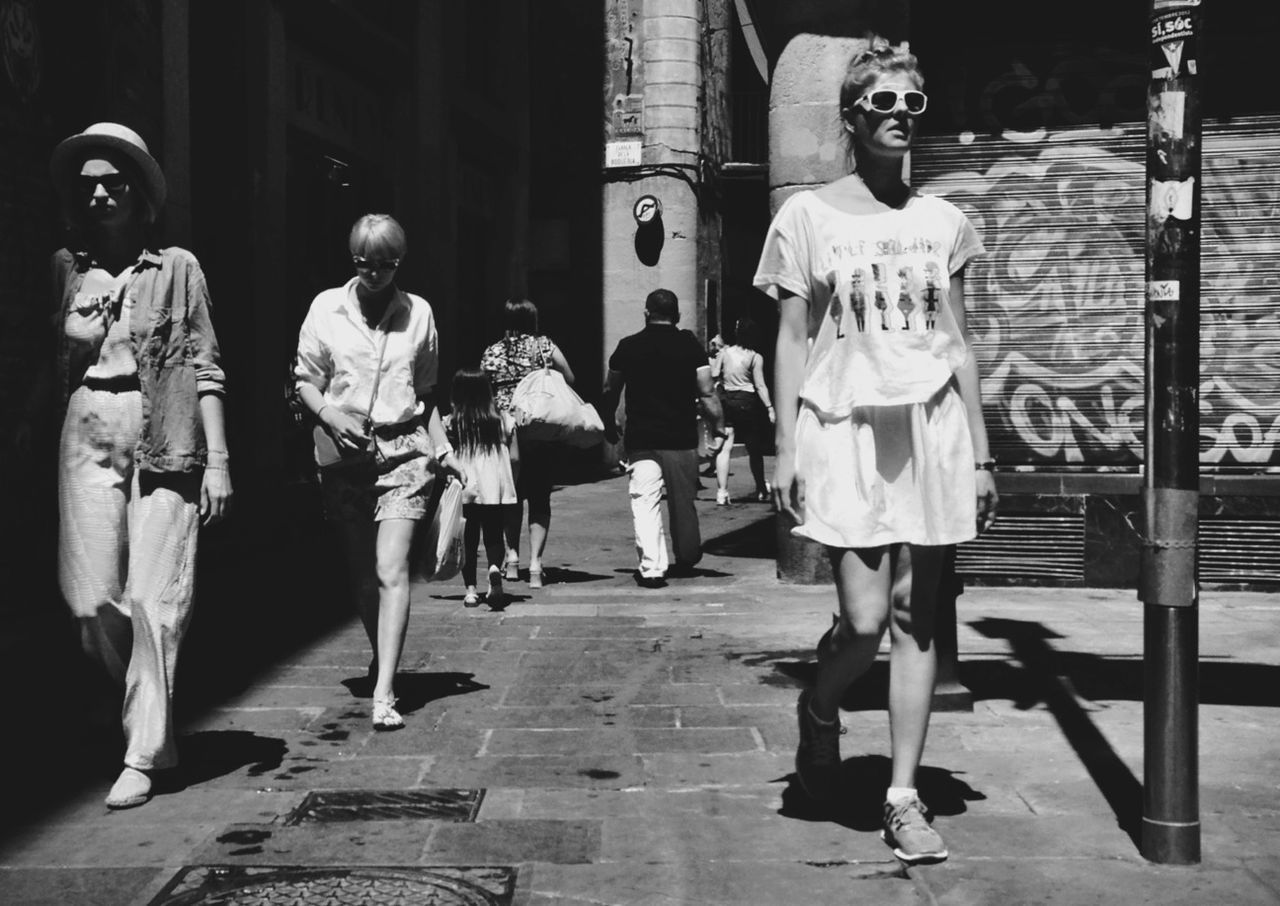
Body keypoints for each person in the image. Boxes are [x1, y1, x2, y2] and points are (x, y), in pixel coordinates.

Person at [754, 40, 998, 864]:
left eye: (912, 104)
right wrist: (785, 440)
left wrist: (982, 452)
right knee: (861, 623)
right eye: (884, 104)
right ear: (853, 118)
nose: (900, 117)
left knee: (913, 617)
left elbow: (959, 341)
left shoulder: (944, 222)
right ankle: (821, 711)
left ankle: (902, 796)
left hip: (931, 426)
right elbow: (791, 337)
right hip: (843, 426)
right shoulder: (807, 217)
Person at [47, 123, 232, 809]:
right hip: (85, 431)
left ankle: (145, 752)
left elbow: (207, 366)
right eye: (88, 184)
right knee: (91, 599)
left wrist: (219, 462)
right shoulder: (67, 269)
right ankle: (139, 707)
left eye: (113, 182)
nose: (99, 193)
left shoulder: (178, 267)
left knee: (157, 600)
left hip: (167, 434)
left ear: (139, 194)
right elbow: (53, 364)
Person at [295, 213, 466, 731]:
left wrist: (443, 450)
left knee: (392, 568)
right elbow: (306, 381)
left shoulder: (419, 314)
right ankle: (382, 656)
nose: (374, 275)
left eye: (385, 265)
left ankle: (385, 691)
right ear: (353, 260)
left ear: (399, 262)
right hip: (345, 455)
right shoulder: (326, 308)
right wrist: (329, 415)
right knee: (364, 578)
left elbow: (427, 394)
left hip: (406, 452)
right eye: (365, 264)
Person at [600, 288, 726, 587]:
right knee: (684, 500)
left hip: (642, 438)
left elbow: (610, 390)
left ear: (646, 314)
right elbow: (707, 393)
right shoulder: (691, 348)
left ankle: (652, 567)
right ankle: (687, 554)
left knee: (645, 500)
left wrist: (608, 424)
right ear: (677, 315)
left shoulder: (628, 347)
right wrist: (719, 427)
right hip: (681, 437)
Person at [479, 298, 576, 588]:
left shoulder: (492, 351)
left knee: (512, 495)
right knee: (539, 497)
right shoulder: (544, 346)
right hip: (537, 430)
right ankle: (535, 565)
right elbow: (570, 378)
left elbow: (482, 391)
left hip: (505, 432)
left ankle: (511, 560)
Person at [445, 368, 519, 609]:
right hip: (493, 488)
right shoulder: (503, 420)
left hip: (466, 485)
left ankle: (470, 591)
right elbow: (516, 458)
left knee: (469, 536)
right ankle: (495, 571)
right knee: (494, 532)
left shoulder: (453, 422)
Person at [711, 318, 775, 504]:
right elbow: (760, 385)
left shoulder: (725, 353)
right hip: (747, 401)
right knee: (754, 447)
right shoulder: (755, 357)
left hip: (727, 400)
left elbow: (715, 375)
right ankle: (761, 489)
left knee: (725, 446)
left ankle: (722, 492)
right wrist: (770, 408)